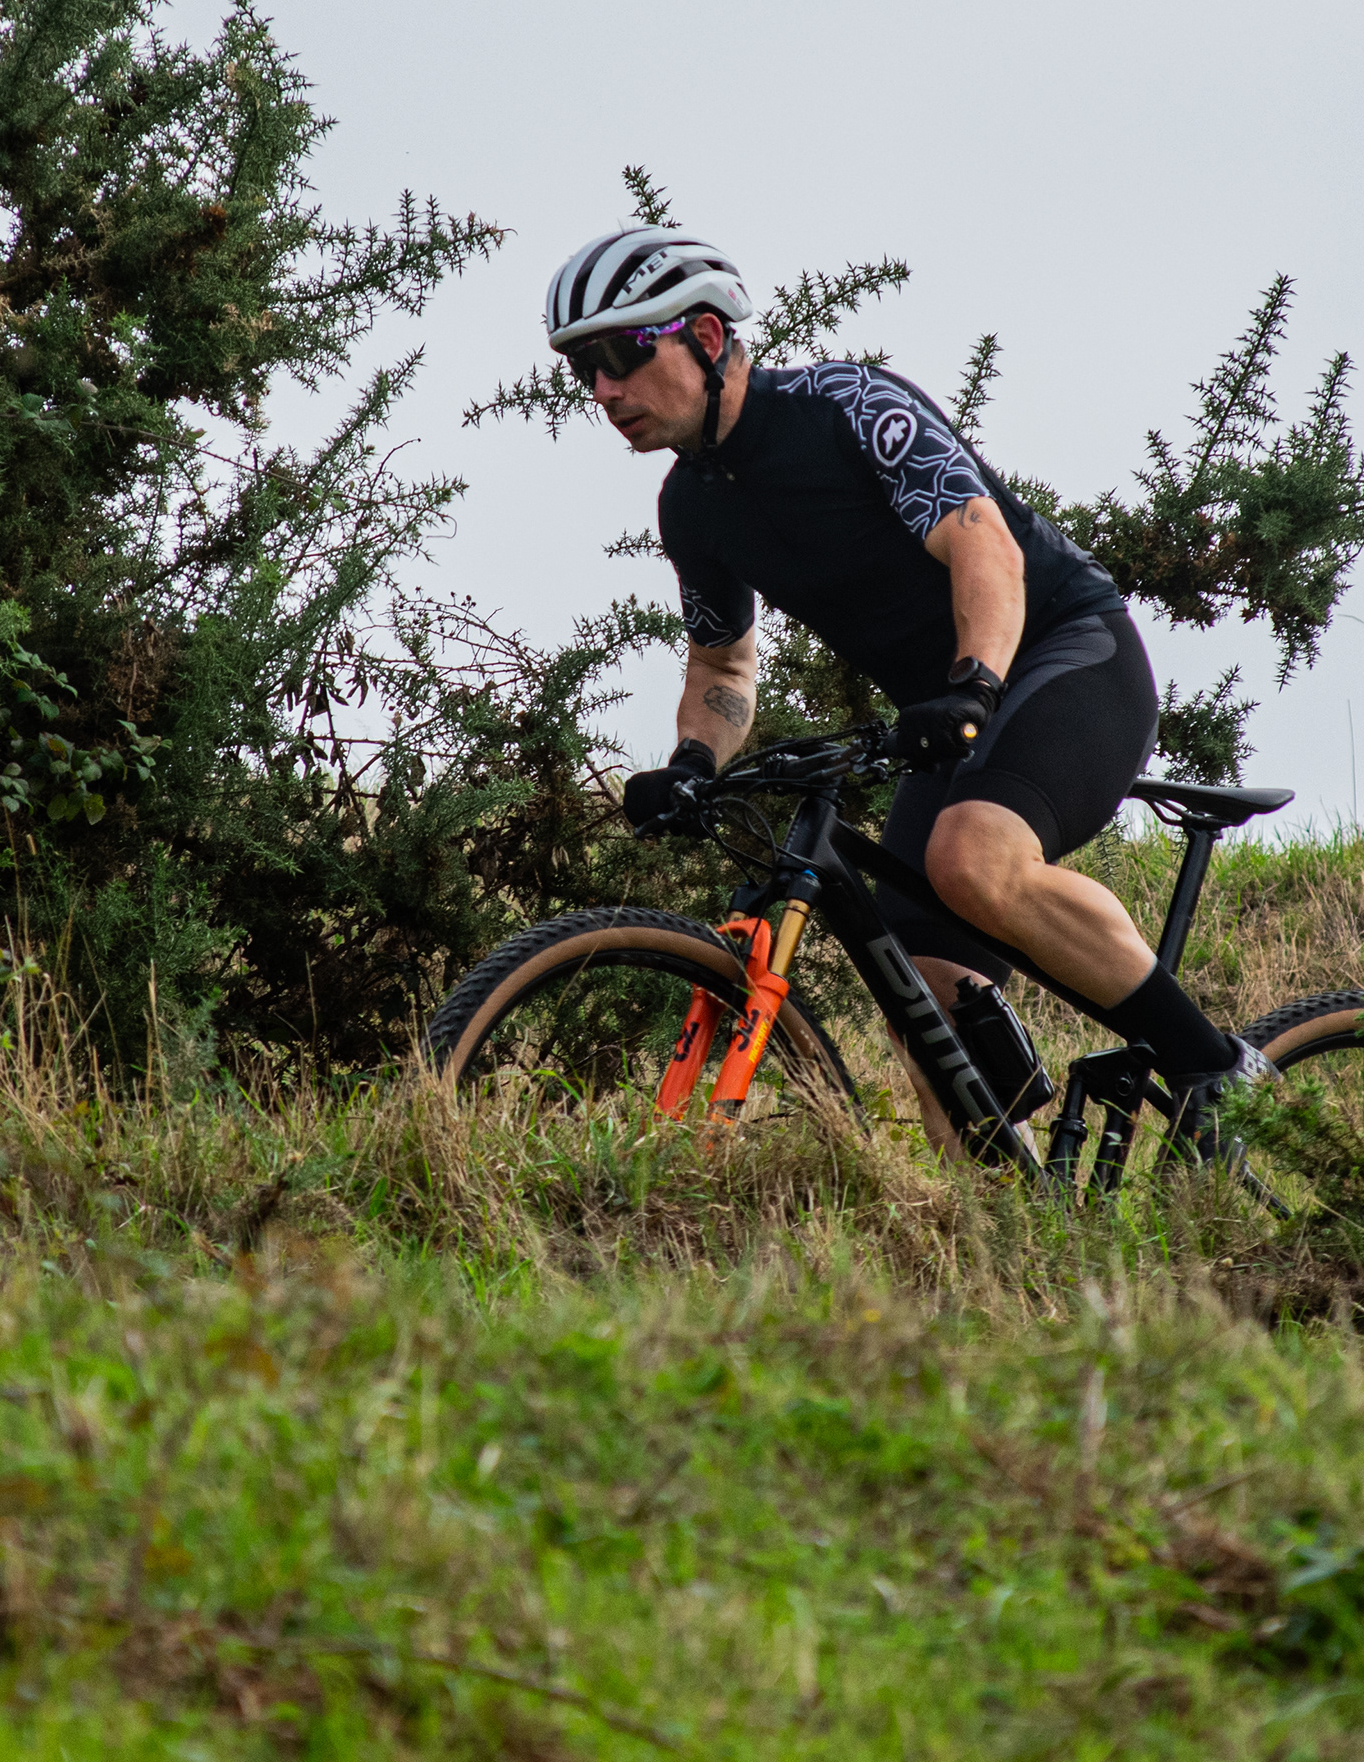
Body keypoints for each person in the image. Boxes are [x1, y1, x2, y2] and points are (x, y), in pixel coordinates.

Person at [543, 222, 1271, 1131]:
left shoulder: (848, 407)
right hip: (951, 709)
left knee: (972, 857)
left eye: (620, 355)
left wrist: (974, 683)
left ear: (707, 336)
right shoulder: (691, 506)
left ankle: (1217, 1069)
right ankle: (1004, 1200)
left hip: (1061, 651)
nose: (603, 389)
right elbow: (723, 661)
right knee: (921, 993)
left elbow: (983, 545)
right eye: (584, 368)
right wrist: (694, 762)